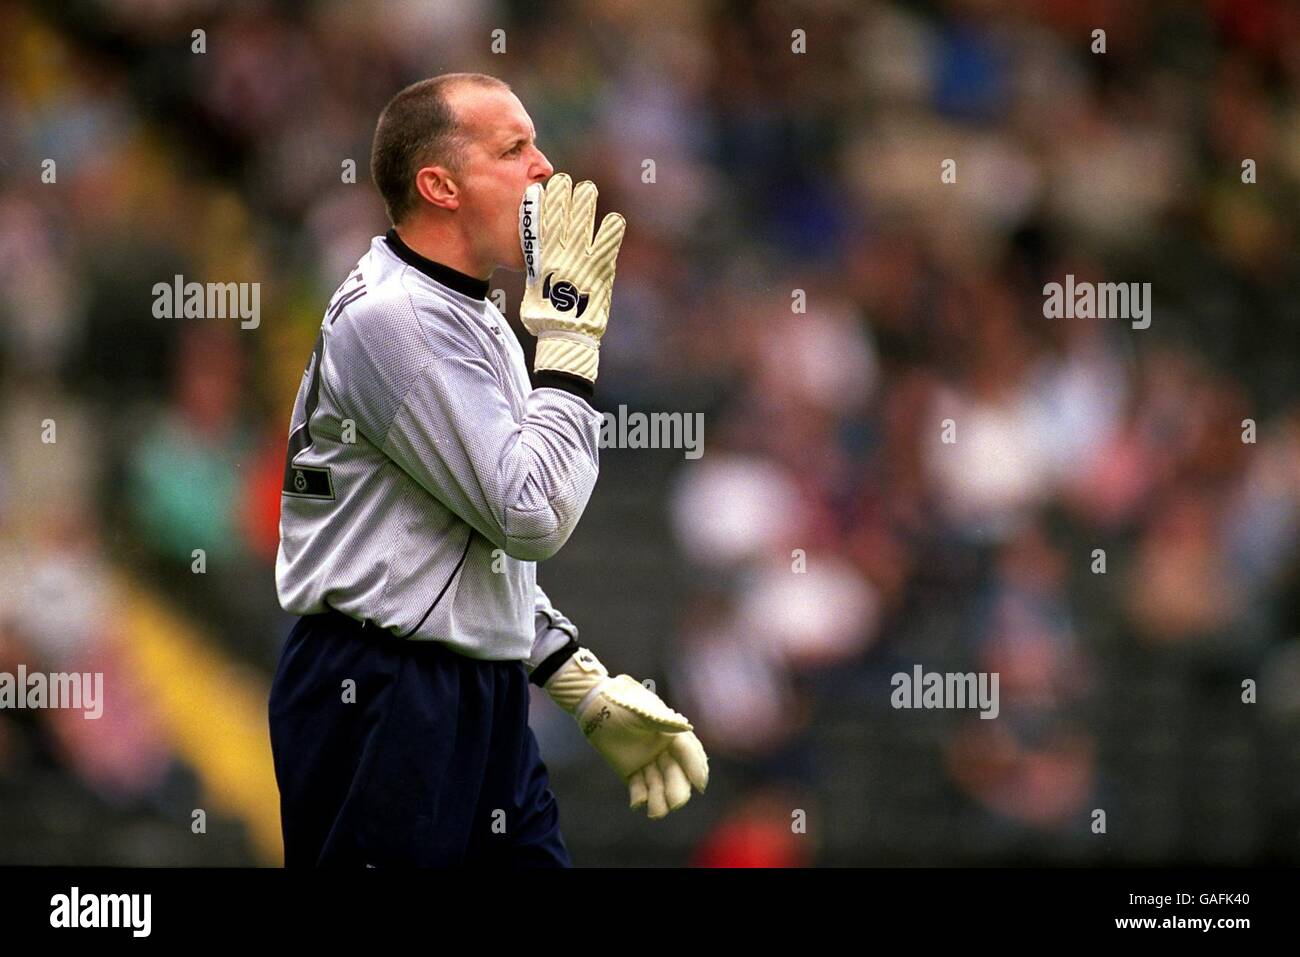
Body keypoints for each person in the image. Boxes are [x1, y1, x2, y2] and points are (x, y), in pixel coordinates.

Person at [267, 72, 708, 868]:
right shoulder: (392, 318)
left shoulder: (475, 313)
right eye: (513, 148)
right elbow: (530, 513)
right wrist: (570, 345)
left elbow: (467, 542)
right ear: (439, 184)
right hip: (379, 691)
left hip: (473, 688)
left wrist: (577, 682)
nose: (545, 167)